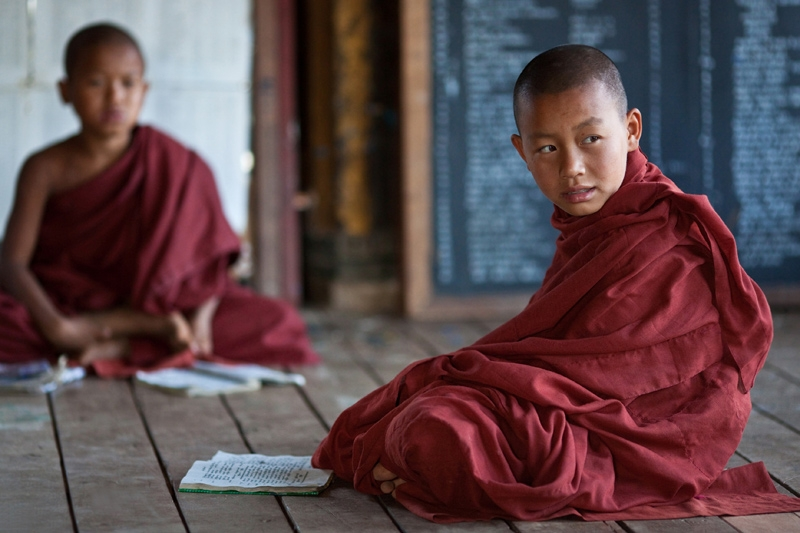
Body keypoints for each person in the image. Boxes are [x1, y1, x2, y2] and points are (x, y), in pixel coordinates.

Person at [312, 44, 800, 522]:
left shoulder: (667, 239)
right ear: (521, 151)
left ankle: (429, 464)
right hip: (569, 408)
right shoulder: (590, 227)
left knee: (435, 430)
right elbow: (553, 359)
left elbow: (610, 380)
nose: (572, 168)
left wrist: (479, 391)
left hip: (650, 434)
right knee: (420, 416)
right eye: (547, 148)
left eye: (590, 139)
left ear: (630, 130)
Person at [0, 22, 319, 377]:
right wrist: (57, 326)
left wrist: (201, 319)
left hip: (164, 305)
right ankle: (141, 331)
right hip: (69, 301)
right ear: (65, 90)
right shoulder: (44, 167)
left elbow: (209, 263)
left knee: (280, 322)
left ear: (144, 90)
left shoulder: (178, 163)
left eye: (128, 83)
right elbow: (12, 263)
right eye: (95, 82)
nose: (114, 97)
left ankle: (124, 340)